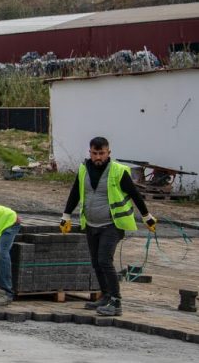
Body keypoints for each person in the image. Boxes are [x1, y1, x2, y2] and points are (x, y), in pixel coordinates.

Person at [60, 136, 156, 317]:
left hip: (112, 224)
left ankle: (116, 301)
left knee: (105, 260)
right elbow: (75, 193)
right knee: (96, 262)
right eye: (94, 153)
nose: (98, 157)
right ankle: (106, 295)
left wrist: (147, 216)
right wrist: (66, 215)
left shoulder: (118, 171)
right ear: (90, 152)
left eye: (101, 153)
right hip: (90, 224)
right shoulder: (83, 169)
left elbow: (135, 195)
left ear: (108, 153)